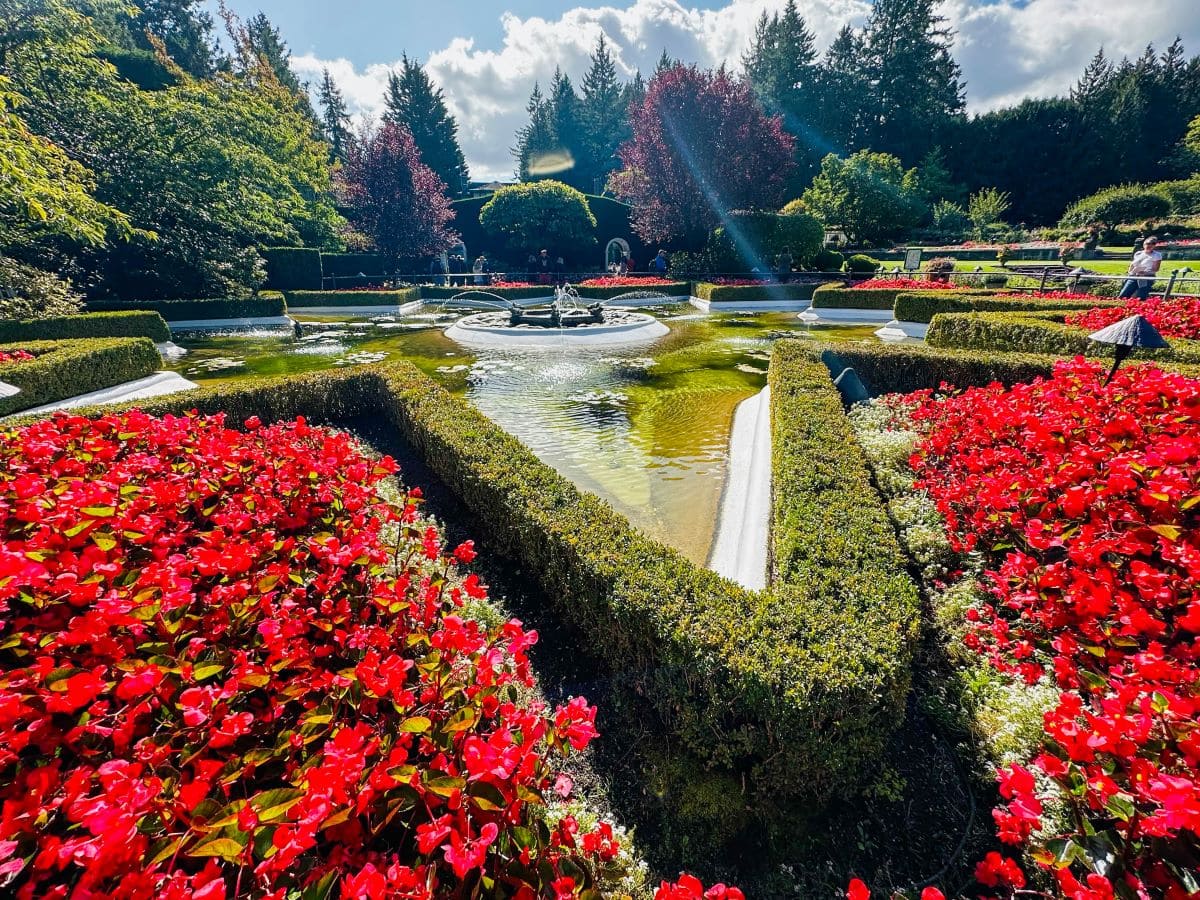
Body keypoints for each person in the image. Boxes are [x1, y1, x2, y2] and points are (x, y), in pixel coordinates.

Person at [1120, 236, 1162, 301]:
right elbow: (1132, 264)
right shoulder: (1138, 253)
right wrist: (1130, 272)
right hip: (1134, 276)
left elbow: (1155, 269)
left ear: (1154, 246)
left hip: (1146, 277)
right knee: (1123, 295)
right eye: (1147, 244)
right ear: (1144, 244)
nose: (1149, 245)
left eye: (1152, 244)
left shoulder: (1157, 255)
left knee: (1141, 296)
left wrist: (1144, 272)